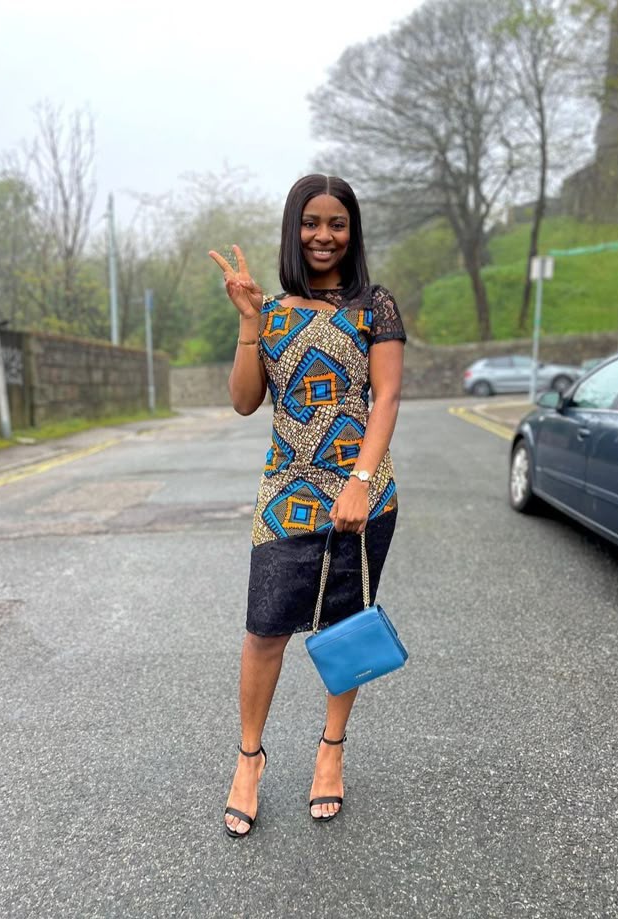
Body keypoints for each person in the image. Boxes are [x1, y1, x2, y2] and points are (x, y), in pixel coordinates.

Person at [208, 174, 405, 838]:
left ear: (353, 231)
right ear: (294, 228)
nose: (324, 235)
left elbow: (386, 397)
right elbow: (244, 401)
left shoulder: (375, 304)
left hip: (361, 493)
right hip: (285, 495)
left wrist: (360, 479)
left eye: (337, 223)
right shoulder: (270, 309)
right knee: (265, 630)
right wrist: (248, 322)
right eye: (312, 222)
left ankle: (331, 749)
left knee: (345, 625)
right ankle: (249, 758)